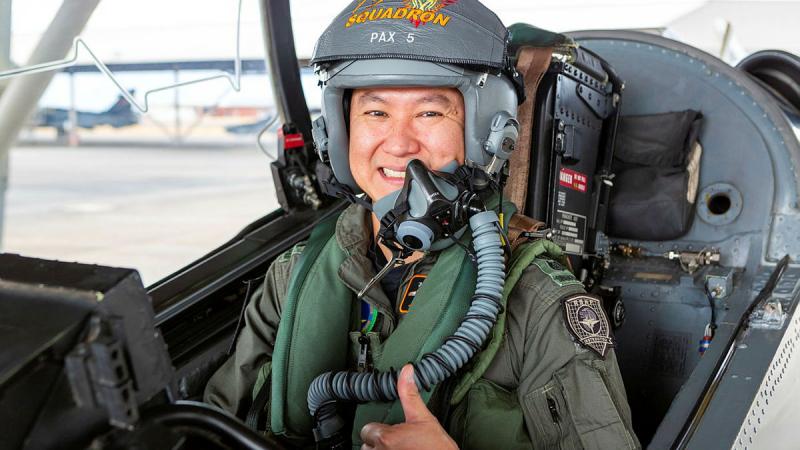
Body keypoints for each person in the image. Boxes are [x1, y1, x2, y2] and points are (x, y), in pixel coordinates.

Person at [205, 1, 640, 449]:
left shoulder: (538, 300)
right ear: (338, 131)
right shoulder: (293, 274)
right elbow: (215, 426)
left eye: (430, 113)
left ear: (489, 132)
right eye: (376, 113)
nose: (399, 144)